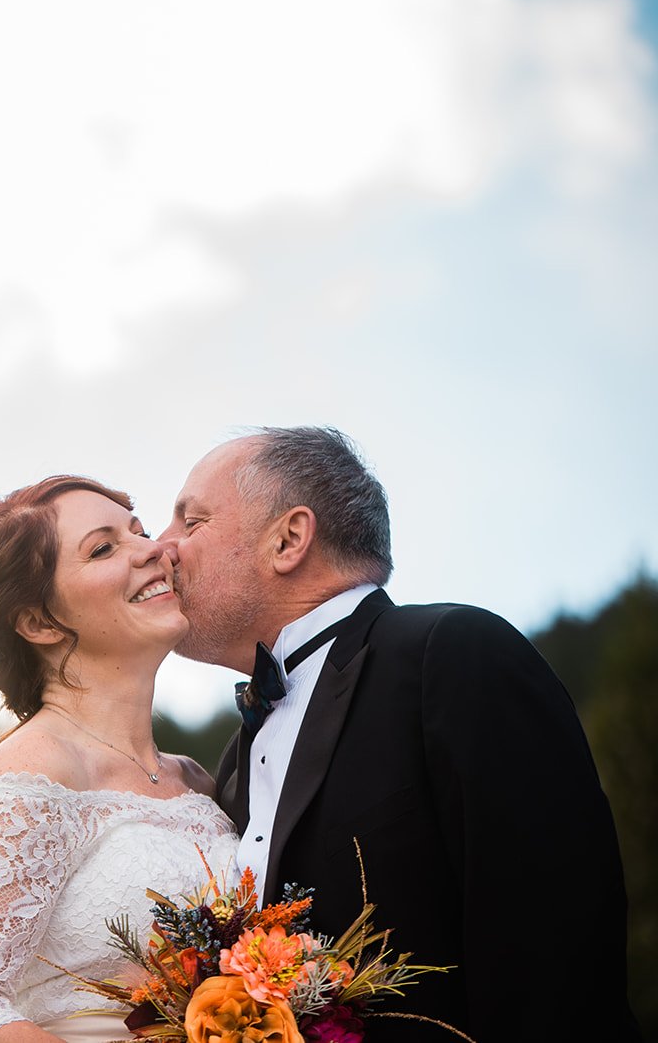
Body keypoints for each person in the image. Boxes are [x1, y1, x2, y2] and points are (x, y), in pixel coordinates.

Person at [160, 426, 640, 1041]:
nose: (161, 548)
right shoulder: (233, 757)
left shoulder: (453, 655)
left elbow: (558, 952)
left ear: (288, 539)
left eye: (191, 521)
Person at [0, 476, 239, 1043]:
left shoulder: (196, 780)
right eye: (103, 548)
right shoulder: (35, 769)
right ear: (39, 622)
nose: (152, 549)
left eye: (140, 532)